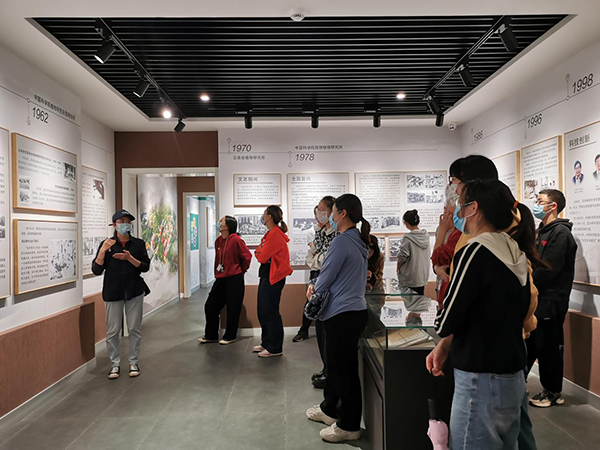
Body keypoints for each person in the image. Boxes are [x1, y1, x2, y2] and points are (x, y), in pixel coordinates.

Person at [426, 180, 545, 450]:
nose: (458, 210)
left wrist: (441, 329)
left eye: (462, 203)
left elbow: (449, 317)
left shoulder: (475, 250)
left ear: (474, 208)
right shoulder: (513, 249)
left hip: (479, 375)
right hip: (512, 370)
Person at [305, 194, 369, 443]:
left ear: (342, 213)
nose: (329, 216)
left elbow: (327, 273)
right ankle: (330, 409)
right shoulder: (356, 239)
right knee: (336, 366)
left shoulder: (342, 241)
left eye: (332, 211)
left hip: (342, 314)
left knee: (344, 372)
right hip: (349, 312)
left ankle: (349, 425)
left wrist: (314, 290)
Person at [527, 189, 577, 407]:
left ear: (553, 206)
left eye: (541, 201)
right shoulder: (541, 231)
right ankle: (518, 381)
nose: (537, 205)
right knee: (531, 343)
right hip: (537, 298)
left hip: (551, 300)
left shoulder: (561, 234)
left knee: (548, 346)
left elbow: (548, 268)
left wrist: (527, 284)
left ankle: (553, 392)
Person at [92, 209, 151, 380]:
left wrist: (129, 258)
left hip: (134, 291)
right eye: (121, 221)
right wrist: (102, 251)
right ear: (114, 225)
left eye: (128, 221)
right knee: (113, 331)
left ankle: (133, 362)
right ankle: (115, 364)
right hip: (113, 291)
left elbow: (145, 267)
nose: (125, 224)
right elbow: (96, 270)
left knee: (134, 329)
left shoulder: (138, 244)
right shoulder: (107, 244)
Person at [298, 196, 338, 390]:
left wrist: (318, 258)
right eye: (318, 211)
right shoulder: (320, 232)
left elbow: (326, 261)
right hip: (319, 283)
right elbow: (311, 259)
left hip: (331, 290)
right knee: (321, 333)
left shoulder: (338, 235)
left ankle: (331, 373)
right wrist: (319, 258)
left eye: (323, 210)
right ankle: (326, 369)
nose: (319, 214)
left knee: (329, 336)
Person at [198, 216, 252, 345]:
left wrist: (240, 271)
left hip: (234, 279)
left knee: (233, 308)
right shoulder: (218, 241)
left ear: (227, 226)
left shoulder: (236, 240)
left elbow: (247, 257)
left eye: (221, 222)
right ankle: (211, 335)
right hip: (221, 278)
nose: (218, 224)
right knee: (210, 306)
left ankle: (230, 336)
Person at [253, 205, 293, 358]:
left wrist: (261, 253)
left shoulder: (275, 234)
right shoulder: (270, 234)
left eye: (264, 214)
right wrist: (261, 252)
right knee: (263, 311)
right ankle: (266, 343)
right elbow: (259, 252)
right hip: (267, 275)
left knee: (270, 312)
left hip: (273, 277)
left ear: (269, 216)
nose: (263, 217)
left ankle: (275, 347)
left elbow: (262, 256)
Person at [293, 205, 325, 343]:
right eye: (318, 213)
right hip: (317, 270)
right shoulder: (312, 231)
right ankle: (304, 330)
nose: (321, 216)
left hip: (328, 269)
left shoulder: (332, 231)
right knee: (311, 299)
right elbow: (316, 250)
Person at [431, 184, 461, 306]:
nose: (445, 212)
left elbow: (437, 256)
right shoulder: (442, 229)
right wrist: (436, 268)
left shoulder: (460, 231)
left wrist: (443, 231)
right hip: (441, 284)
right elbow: (435, 259)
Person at [396, 210, 430, 295]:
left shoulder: (408, 238)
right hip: (422, 276)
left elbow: (402, 256)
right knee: (419, 300)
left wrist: (398, 268)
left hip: (410, 277)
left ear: (406, 223)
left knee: (410, 301)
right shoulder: (426, 236)